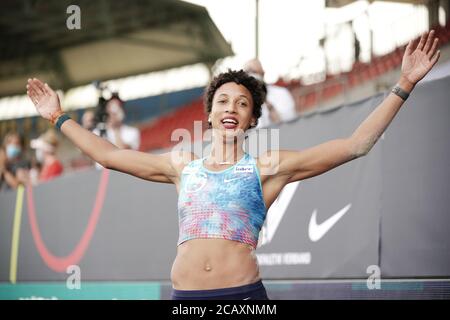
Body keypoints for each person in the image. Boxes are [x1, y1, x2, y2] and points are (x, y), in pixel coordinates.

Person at [25, 30, 440, 300]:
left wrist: (403, 84)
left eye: (242, 103)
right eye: (223, 100)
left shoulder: (267, 168)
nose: (232, 107)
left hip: (244, 299)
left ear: (251, 119)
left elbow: (356, 145)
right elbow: (108, 155)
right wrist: (58, 118)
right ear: (208, 114)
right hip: (185, 300)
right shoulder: (181, 165)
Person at [244, 58, 297, 128]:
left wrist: (266, 101)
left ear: (263, 73)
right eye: (247, 72)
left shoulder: (281, 94)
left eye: (254, 71)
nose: (251, 75)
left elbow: (290, 124)